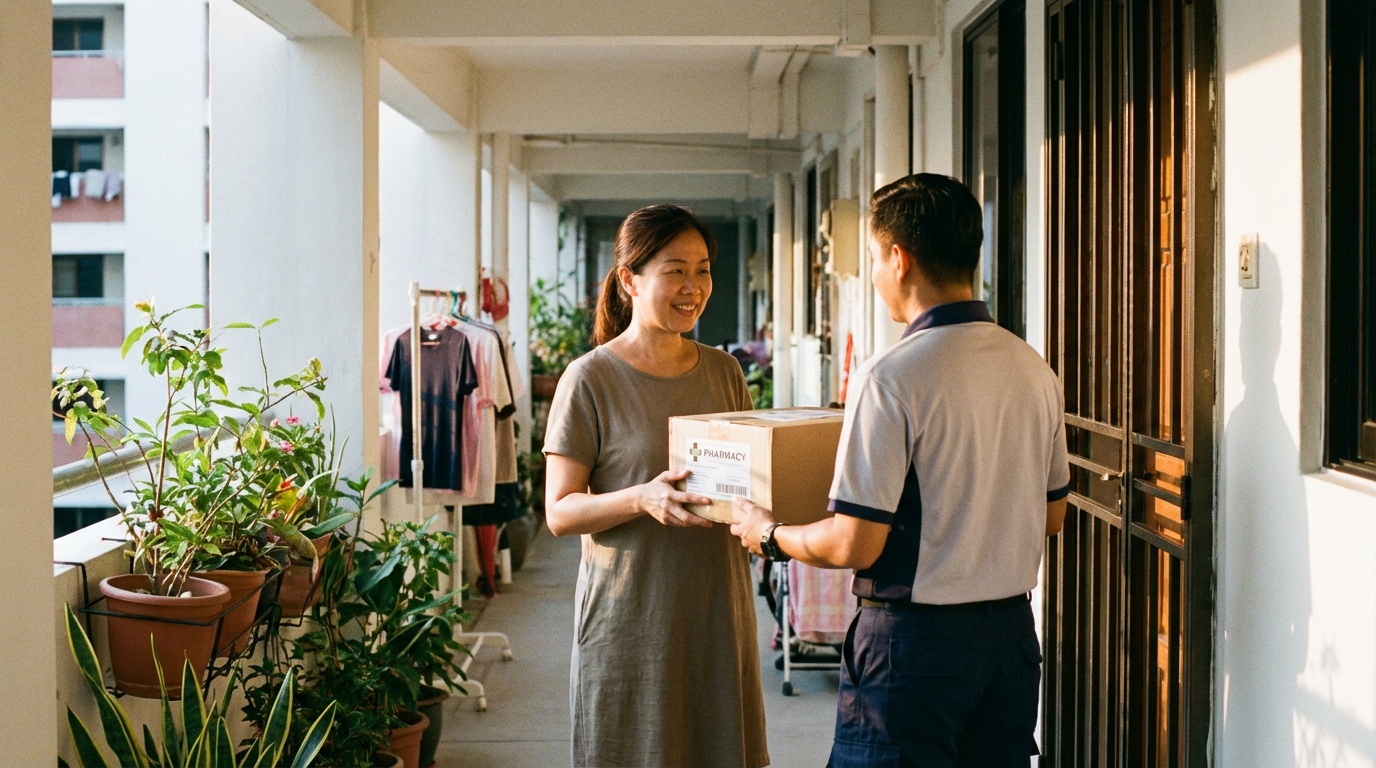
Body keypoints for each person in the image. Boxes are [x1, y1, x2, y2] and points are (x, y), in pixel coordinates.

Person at [730, 173, 1070, 767]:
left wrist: (767, 534)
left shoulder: (892, 376)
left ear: (899, 257)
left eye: (872, 259)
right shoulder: (1031, 367)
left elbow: (854, 542)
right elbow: (1052, 515)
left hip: (914, 650)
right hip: (1009, 640)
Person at [543, 204, 769, 768]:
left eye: (704, 269)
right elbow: (559, 511)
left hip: (718, 612)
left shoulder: (725, 372)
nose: (693, 287)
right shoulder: (589, 378)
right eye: (675, 270)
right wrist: (642, 497)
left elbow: (744, 483)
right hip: (630, 620)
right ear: (629, 279)